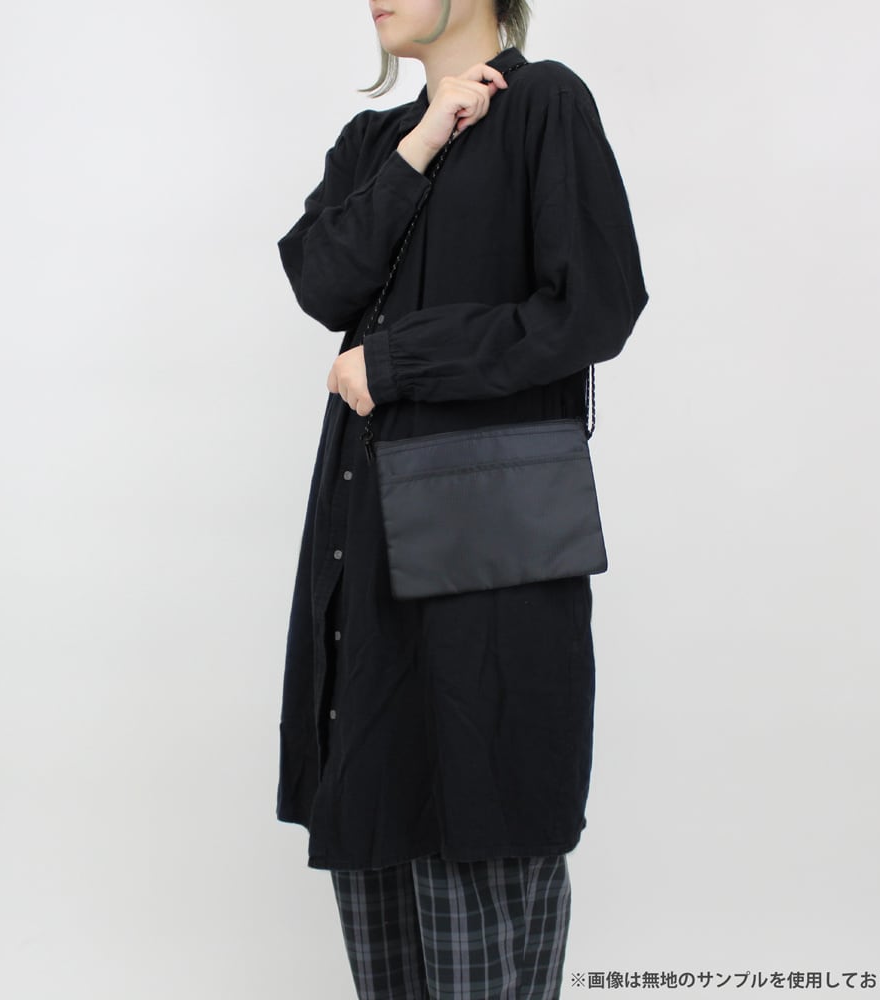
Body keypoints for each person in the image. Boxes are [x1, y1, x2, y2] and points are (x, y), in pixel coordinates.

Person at [274, 0, 648, 996]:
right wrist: (423, 141)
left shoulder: (545, 105)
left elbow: (596, 305)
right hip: (364, 545)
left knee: (479, 829)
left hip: (489, 555)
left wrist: (399, 361)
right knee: (376, 833)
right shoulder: (371, 144)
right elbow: (321, 283)